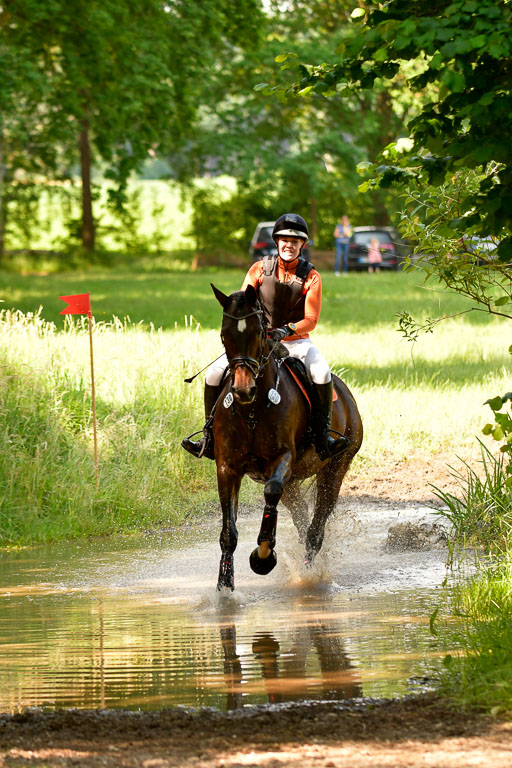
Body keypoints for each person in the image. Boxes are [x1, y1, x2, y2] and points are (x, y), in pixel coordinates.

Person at [182, 212, 350, 462]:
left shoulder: (311, 276)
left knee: (321, 372)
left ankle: (322, 435)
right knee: (213, 374)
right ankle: (209, 437)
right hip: (257, 344)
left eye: (294, 241)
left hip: (296, 343)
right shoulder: (259, 269)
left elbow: (311, 319)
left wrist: (287, 329)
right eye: (284, 240)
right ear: (277, 242)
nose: (288, 245)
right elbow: (242, 304)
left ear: (302, 245)